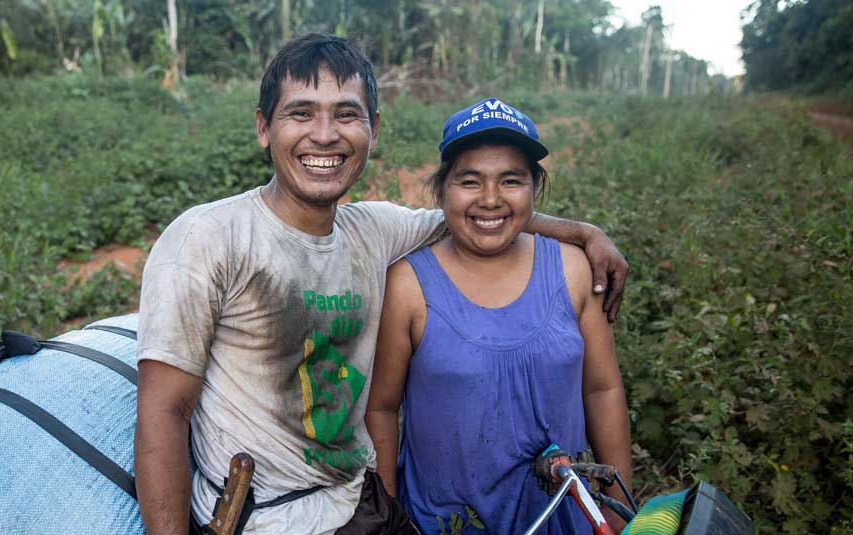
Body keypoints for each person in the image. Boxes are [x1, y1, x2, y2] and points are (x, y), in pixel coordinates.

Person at [134, 33, 629, 535]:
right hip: (267, 519)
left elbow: (476, 214)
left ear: (373, 129)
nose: (325, 135)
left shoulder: (372, 230)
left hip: (361, 503)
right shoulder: (208, 238)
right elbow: (163, 412)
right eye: (301, 113)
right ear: (264, 128)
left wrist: (586, 235)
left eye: (346, 115)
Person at [364, 98, 633, 534]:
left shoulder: (575, 270)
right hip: (443, 522)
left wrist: (617, 513)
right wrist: (390, 517)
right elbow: (381, 408)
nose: (490, 200)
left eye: (511, 180)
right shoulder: (408, 285)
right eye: (470, 181)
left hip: (561, 518)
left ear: (534, 189)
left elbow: (602, 390)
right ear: (442, 189)